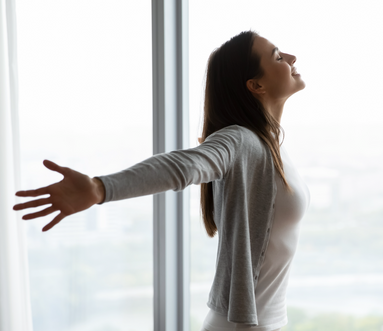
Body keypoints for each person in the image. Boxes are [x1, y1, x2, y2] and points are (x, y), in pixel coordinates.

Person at [13, 30, 310, 331]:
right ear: (255, 84)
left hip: (267, 322)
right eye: (277, 56)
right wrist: (100, 187)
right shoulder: (240, 139)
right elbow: (183, 165)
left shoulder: (269, 144)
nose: (291, 57)